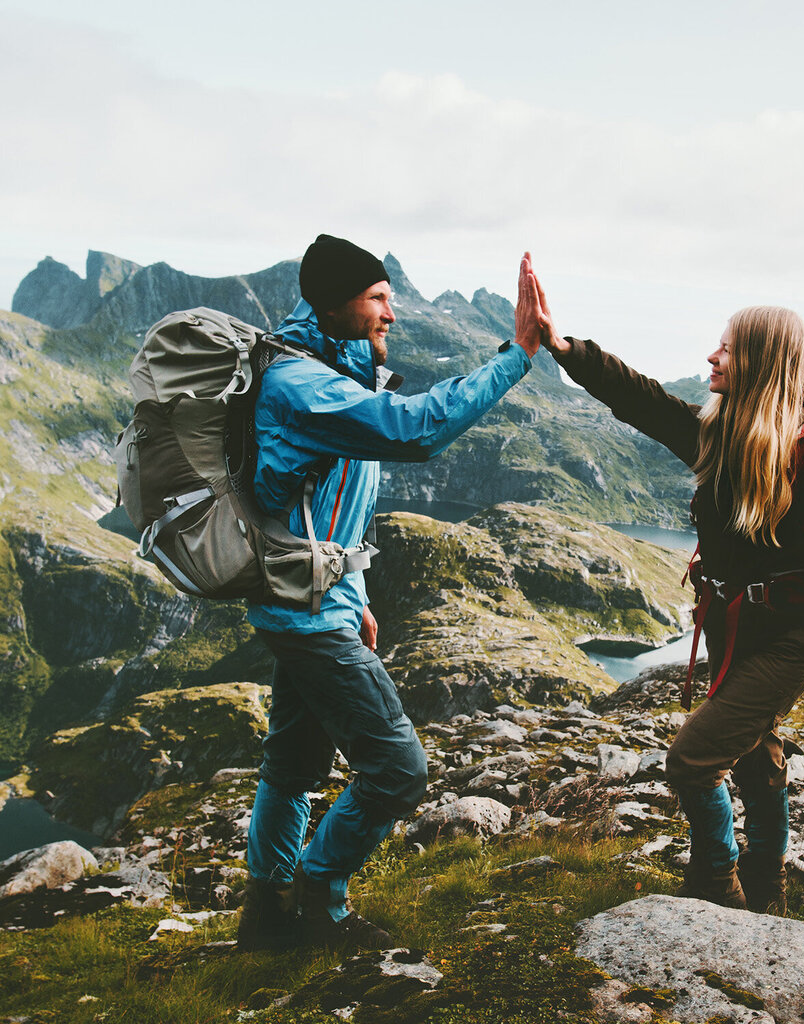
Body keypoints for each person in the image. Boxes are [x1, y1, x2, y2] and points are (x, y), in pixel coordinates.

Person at [518, 254, 804, 913]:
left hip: (786, 639)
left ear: (758, 362)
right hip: (729, 624)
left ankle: (716, 880)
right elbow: (640, 399)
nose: (712, 357)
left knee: (692, 760)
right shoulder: (719, 436)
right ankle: (769, 890)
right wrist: (562, 346)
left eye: (726, 348)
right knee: (754, 758)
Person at [238, 237, 541, 951]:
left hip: (312, 602)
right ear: (332, 303)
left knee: (294, 767)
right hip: (306, 615)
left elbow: (337, 504)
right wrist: (517, 354)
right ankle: (318, 898)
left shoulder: (338, 374)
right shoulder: (302, 384)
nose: (391, 313)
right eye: (377, 298)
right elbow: (417, 430)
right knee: (399, 771)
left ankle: (264, 913)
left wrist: (359, 591)